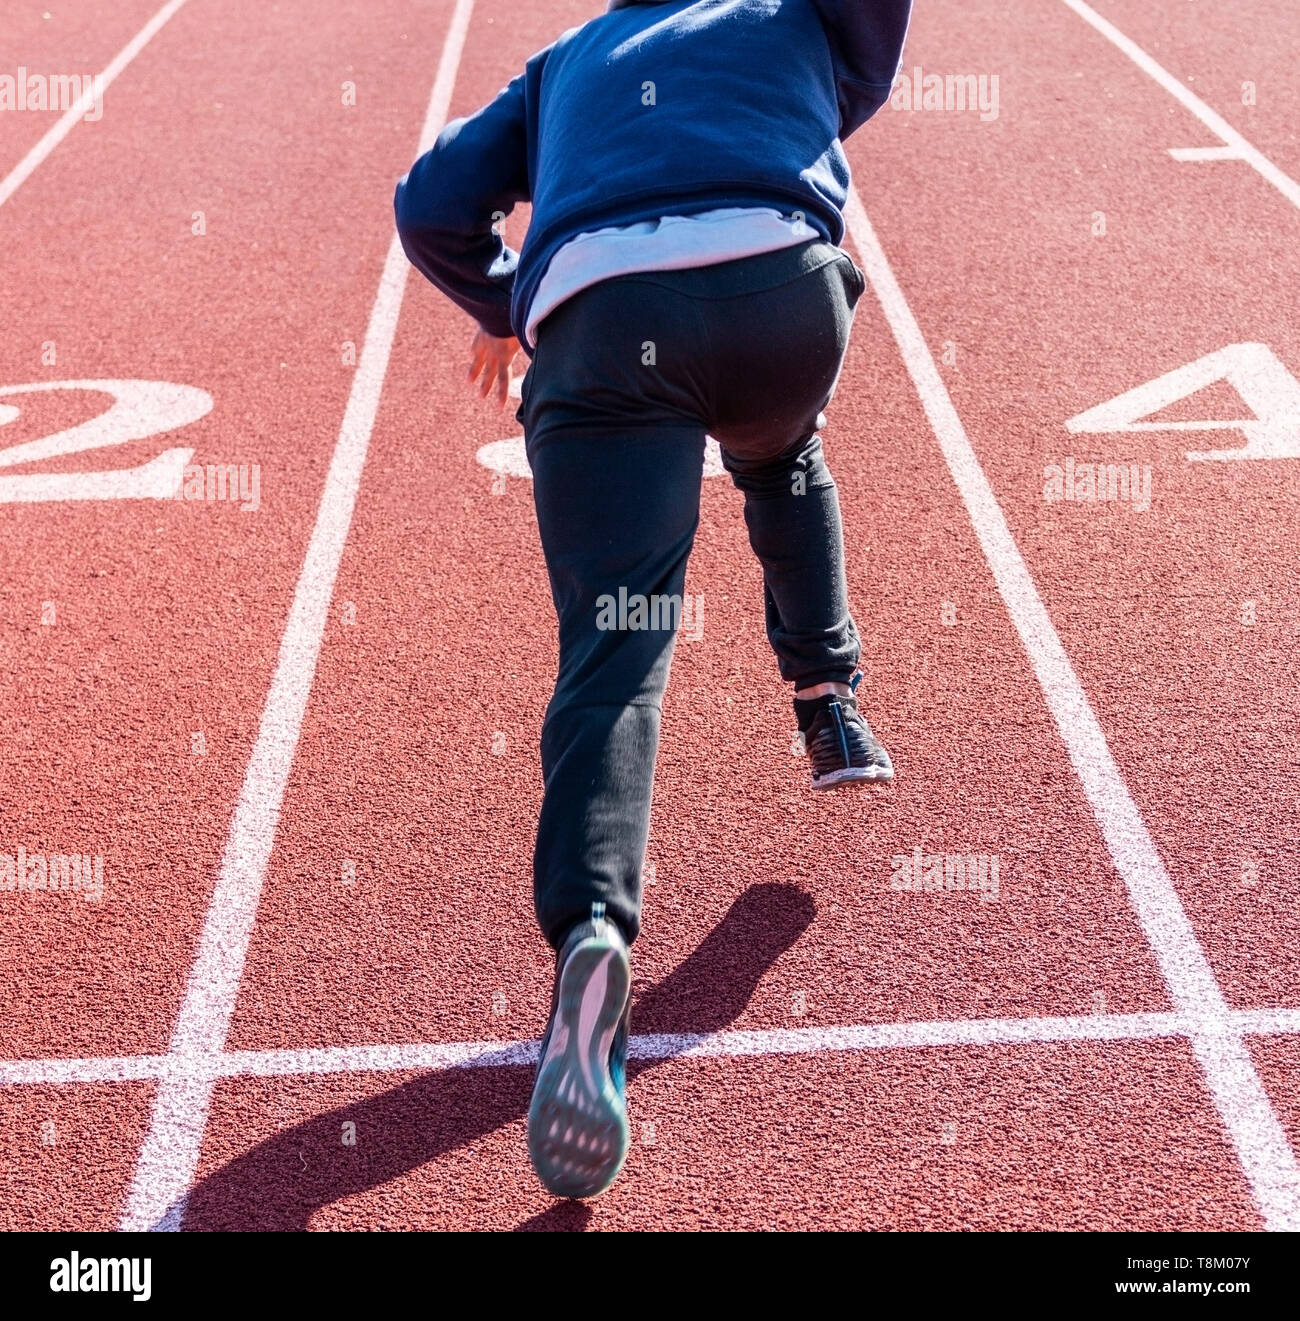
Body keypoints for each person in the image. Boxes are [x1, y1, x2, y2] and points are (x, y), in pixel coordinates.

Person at [395, 0, 912, 1199]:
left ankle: (593, 930)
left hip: (603, 316)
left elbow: (429, 204)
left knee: (617, 651)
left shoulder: (569, 60)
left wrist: (499, 305)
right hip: (778, 303)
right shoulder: (791, 19)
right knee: (781, 459)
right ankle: (830, 702)